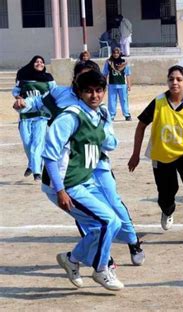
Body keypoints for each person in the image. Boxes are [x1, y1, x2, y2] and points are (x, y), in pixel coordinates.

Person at [14, 60, 144, 267]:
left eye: (96, 84)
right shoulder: (59, 94)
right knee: (86, 213)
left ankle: (132, 241)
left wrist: (94, 133)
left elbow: (110, 141)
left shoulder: (99, 110)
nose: (92, 90)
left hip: (96, 163)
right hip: (72, 165)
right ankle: (101, 259)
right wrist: (24, 104)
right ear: (75, 80)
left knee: (113, 203)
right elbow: (37, 103)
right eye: (84, 80)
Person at [42, 70, 124, 290]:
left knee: (104, 226)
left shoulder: (99, 115)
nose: (94, 95)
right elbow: (49, 155)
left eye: (98, 90)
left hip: (84, 180)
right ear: (78, 92)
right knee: (110, 221)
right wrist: (60, 190)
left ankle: (72, 259)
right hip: (66, 184)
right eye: (88, 91)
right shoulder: (70, 116)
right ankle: (101, 270)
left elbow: (109, 144)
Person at [128, 65, 183, 245]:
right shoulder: (158, 102)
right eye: (171, 79)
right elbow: (141, 126)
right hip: (161, 155)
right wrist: (135, 154)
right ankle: (167, 210)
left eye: (179, 79)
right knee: (166, 195)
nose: (174, 82)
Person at [12, 55, 56, 181]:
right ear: (32, 63)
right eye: (37, 62)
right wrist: (18, 98)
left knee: (37, 143)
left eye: (42, 62)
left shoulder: (48, 78)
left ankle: (37, 171)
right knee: (27, 143)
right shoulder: (24, 78)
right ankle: (32, 164)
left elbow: (54, 92)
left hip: (42, 115)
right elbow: (15, 91)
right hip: (25, 116)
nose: (39, 63)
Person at [102, 47, 132, 121]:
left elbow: (128, 74)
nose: (115, 54)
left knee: (124, 100)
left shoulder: (123, 62)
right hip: (112, 85)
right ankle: (111, 115)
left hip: (122, 85)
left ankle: (127, 114)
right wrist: (104, 84)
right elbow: (105, 74)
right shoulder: (108, 62)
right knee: (112, 101)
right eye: (114, 53)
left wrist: (129, 84)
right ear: (112, 53)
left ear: (120, 53)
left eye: (117, 53)